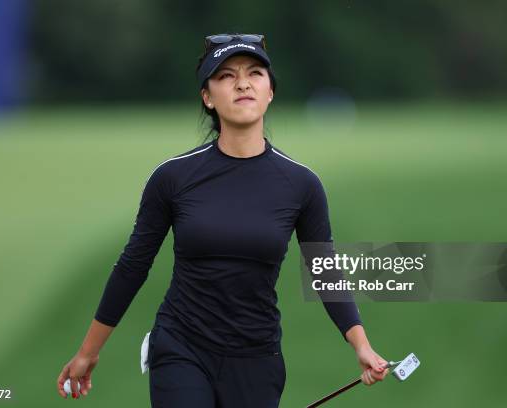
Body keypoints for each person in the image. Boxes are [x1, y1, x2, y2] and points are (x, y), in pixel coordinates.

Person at [56, 33, 389, 407]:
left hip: (257, 357)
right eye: (227, 76)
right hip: (181, 346)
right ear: (208, 97)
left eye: (255, 73)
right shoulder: (173, 177)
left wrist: (361, 345)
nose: (243, 83)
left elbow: (325, 272)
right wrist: (88, 352)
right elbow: (133, 265)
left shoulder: (302, 185)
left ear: (270, 92)